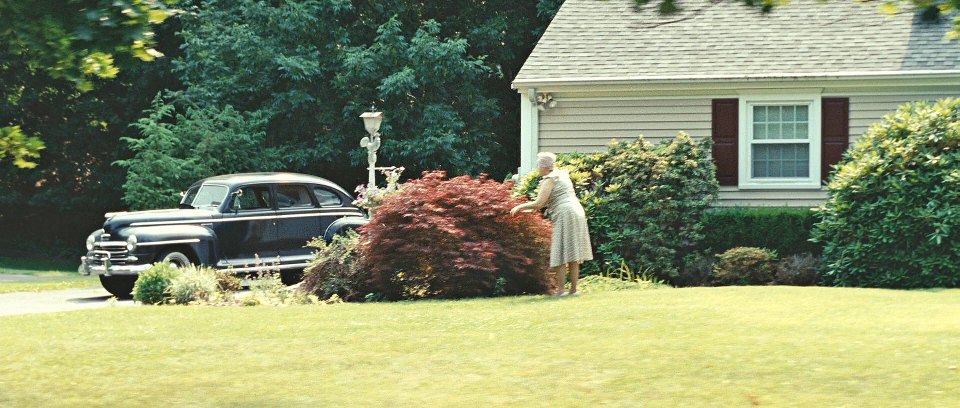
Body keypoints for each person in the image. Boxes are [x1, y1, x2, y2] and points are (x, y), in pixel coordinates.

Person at [511, 152, 593, 296]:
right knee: (573, 253)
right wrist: (524, 213)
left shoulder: (549, 179)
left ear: (544, 166)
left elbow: (539, 203)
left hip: (565, 214)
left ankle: (561, 291)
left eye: (538, 165)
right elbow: (545, 204)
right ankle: (573, 290)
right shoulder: (562, 175)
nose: (537, 168)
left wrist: (519, 207)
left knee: (561, 252)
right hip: (577, 211)